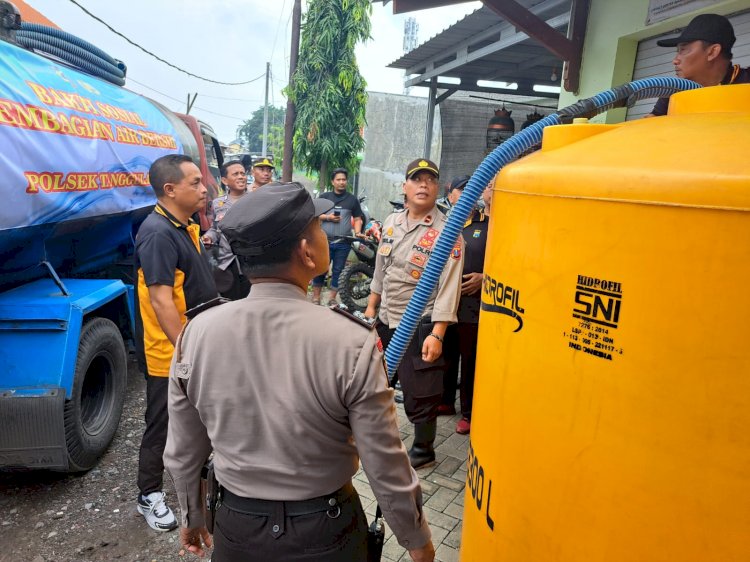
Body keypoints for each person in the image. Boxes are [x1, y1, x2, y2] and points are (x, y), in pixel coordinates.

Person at [163, 182, 435, 562]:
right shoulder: (350, 340)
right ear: (307, 252)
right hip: (327, 531)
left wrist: (192, 517)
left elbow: (182, 450)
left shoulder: (197, 333)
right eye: (320, 228)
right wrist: (416, 539)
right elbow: (384, 463)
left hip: (237, 527)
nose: (325, 234)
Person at [133, 154, 219, 532]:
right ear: (170, 189)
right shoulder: (157, 232)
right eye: (196, 183)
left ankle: (197, 477)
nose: (204, 189)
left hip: (191, 343)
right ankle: (148, 494)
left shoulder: (183, 225)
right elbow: (161, 299)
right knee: (161, 423)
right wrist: (185, 351)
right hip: (169, 351)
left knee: (196, 418)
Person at [364, 159, 463, 469]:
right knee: (376, 378)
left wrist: (438, 333)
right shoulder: (392, 221)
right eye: (416, 179)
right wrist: (371, 305)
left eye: (430, 180)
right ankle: (376, 435)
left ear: (437, 188)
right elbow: (382, 268)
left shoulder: (448, 232)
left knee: (422, 387)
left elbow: (449, 287)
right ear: (404, 187)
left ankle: (423, 448)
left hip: (420, 321)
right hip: (387, 318)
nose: (423, 185)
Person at [439, 177, 491, 435]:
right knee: (447, 354)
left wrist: (485, 277)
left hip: (473, 305)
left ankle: (469, 413)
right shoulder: (444, 224)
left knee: (470, 361)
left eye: (474, 187)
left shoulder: (488, 223)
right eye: (463, 189)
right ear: (451, 196)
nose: (470, 192)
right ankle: (446, 401)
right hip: (447, 303)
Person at [647, 13, 749, 117]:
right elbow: (652, 124)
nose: (675, 60)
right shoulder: (674, 90)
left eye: (683, 50)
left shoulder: (746, 80)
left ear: (712, 52)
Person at [312, 168, 365, 305]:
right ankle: (316, 297)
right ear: (332, 181)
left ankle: (332, 298)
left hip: (343, 242)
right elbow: (314, 213)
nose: (341, 182)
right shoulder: (325, 197)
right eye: (338, 180)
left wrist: (358, 232)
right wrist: (328, 217)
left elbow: (358, 218)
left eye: (344, 179)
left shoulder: (352, 200)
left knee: (338, 271)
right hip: (324, 241)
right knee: (320, 269)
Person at [202, 161, 251, 300]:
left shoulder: (255, 199)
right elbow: (214, 228)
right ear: (224, 180)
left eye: (243, 173)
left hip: (251, 261)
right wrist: (208, 237)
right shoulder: (217, 204)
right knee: (230, 301)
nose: (241, 176)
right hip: (227, 263)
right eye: (235, 174)